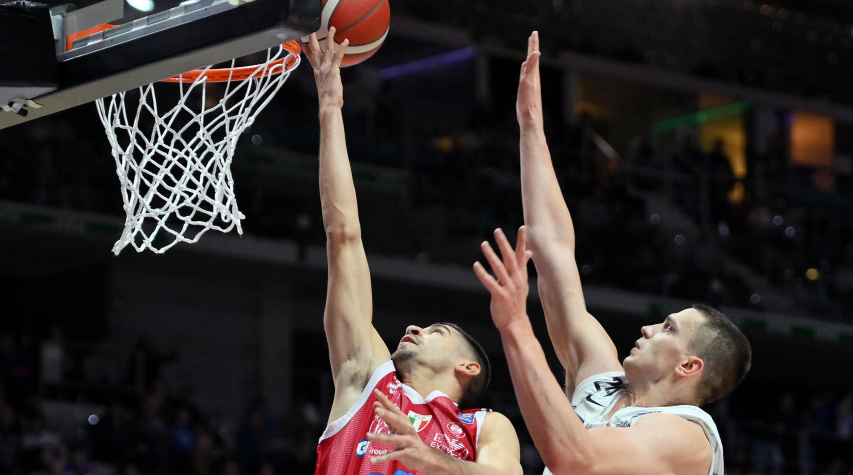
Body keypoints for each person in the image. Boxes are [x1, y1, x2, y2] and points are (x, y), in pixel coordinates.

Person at [473, 31, 752, 475]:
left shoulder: (688, 436)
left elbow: (575, 460)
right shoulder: (601, 381)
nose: (645, 328)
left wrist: (515, 325)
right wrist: (531, 127)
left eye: (666, 328)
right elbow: (555, 253)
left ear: (689, 364)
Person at [306, 27, 522, 475]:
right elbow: (343, 234)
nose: (414, 327)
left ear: (467, 366)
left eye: (437, 330)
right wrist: (330, 108)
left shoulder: (485, 427)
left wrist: (433, 460)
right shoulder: (368, 378)